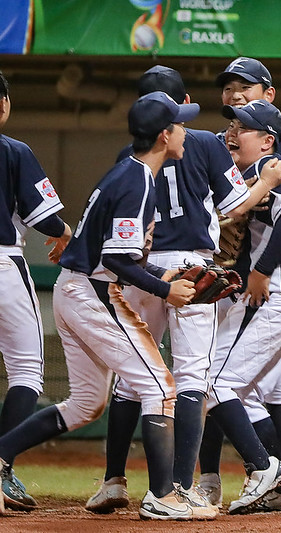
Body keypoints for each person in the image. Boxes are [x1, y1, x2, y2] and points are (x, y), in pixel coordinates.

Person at [82, 66, 281, 517]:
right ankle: (179, 487)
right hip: (191, 267)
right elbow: (236, 206)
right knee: (192, 376)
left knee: (136, 380)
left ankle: (114, 479)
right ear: (178, 108)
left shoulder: (129, 153)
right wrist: (266, 183)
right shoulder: (208, 143)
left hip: (143, 269)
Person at [0, 91, 204, 520]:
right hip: (92, 293)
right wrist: (166, 292)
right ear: (165, 135)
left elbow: (117, 253)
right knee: (161, 387)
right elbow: (114, 259)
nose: (186, 130)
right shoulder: (137, 181)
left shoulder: (127, 173)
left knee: (86, 403)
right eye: (180, 124)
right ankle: (163, 496)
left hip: (74, 291)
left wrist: (160, 280)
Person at [198, 58, 281, 508]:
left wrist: (261, 269)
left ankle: (265, 468)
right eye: (232, 124)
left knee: (215, 384)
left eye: (244, 126)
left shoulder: (270, 167)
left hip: (273, 293)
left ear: (268, 139)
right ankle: (278, 481)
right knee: (252, 392)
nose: (234, 131)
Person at [0, 70, 72, 511]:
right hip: (3, 263)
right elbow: (43, 217)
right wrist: (65, 233)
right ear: (4, 104)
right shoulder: (13, 150)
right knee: (26, 370)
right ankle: (2, 469)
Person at [215, 57, 281, 162]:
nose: (235, 96)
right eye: (228, 89)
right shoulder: (215, 144)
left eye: (245, 87)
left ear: (269, 94)